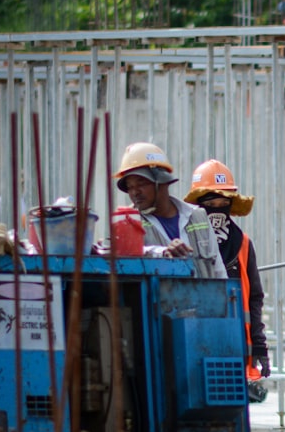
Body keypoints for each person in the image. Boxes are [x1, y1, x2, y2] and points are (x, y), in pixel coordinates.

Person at [184, 160, 270, 391]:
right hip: (195, 338)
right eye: (211, 204)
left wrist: (259, 346)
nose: (217, 209)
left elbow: (254, 298)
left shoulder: (242, 244)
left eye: (223, 204)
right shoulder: (185, 242)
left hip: (234, 342)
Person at [114, 142, 226, 280]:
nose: (134, 192)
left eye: (141, 183)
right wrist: (161, 253)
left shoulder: (198, 216)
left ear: (162, 182)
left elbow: (219, 271)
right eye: (130, 187)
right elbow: (125, 256)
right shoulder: (129, 222)